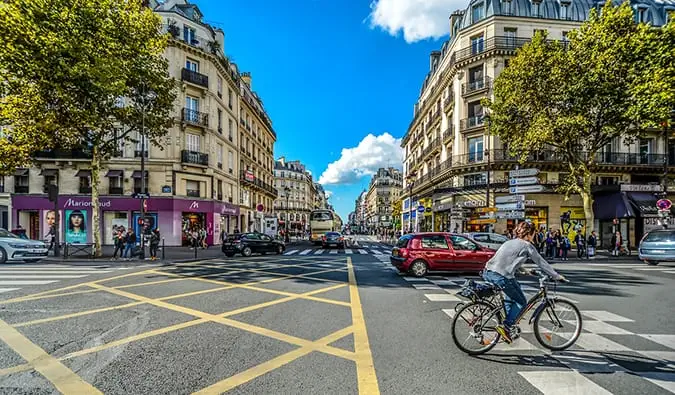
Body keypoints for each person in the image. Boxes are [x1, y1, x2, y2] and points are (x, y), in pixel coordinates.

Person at [483, 222, 566, 344]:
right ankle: (506, 326)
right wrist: (556, 276)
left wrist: (525, 271)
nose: (534, 237)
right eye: (534, 234)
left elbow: (508, 260)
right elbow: (541, 262)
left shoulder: (509, 242)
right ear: (529, 234)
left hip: (488, 272)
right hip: (501, 276)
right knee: (521, 301)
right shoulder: (527, 245)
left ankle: (507, 321)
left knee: (514, 290)